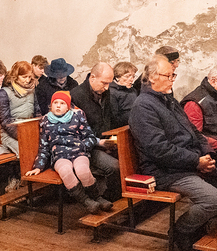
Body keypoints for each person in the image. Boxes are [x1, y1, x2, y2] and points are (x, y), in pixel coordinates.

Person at [129, 56, 217, 251]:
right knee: (214, 199)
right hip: (165, 171)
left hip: (189, 164)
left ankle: (202, 225)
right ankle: (180, 232)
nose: (172, 79)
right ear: (153, 77)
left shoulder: (168, 100)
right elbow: (159, 149)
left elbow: (195, 133)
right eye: (168, 75)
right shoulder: (143, 107)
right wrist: (196, 161)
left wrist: (207, 154)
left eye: (173, 75)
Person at [25, 91, 112, 214]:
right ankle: (86, 201)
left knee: (82, 170)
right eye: (55, 103)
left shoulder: (77, 116)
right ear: (51, 105)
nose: (58, 106)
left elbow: (90, 137)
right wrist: (38, 166)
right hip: (59, 156)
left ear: (68, 107)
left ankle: (97, 198)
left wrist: (82, 146)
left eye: (62, 103)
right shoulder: (45, 121)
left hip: (78, 153)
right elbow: (44, 146)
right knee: (66, 171)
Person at [70, 61, 122, 201]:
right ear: (92, 77)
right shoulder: (76, 96)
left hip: (105, 140)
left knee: (131, 156)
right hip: (87, 148)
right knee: (115, 167)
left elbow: (109, 117)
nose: (107, 87)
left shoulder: (105, 92)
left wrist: (113, 138)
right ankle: (110, 198)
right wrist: (99, 143)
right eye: (104, 83)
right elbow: (75, 133)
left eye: (109, 83)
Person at [0, 61, 40, 191]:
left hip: (29, 129)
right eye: (24, 77)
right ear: (16, 76)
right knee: (25, 152)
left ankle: (34, 184)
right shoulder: (4, 93)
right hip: (11, 133)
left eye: (29, 77)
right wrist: (22, 136)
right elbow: (5, 121)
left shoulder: (32, 90)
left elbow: (37, 111)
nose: (27, 80)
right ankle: (16, 180)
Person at [109, 61, 138, 127]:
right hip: (122, 127)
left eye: (133, 76)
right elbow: (114, 118)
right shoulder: (112, 92)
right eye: (127, 76)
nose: (131, 79)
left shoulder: (133, 90)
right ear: (117, 77)